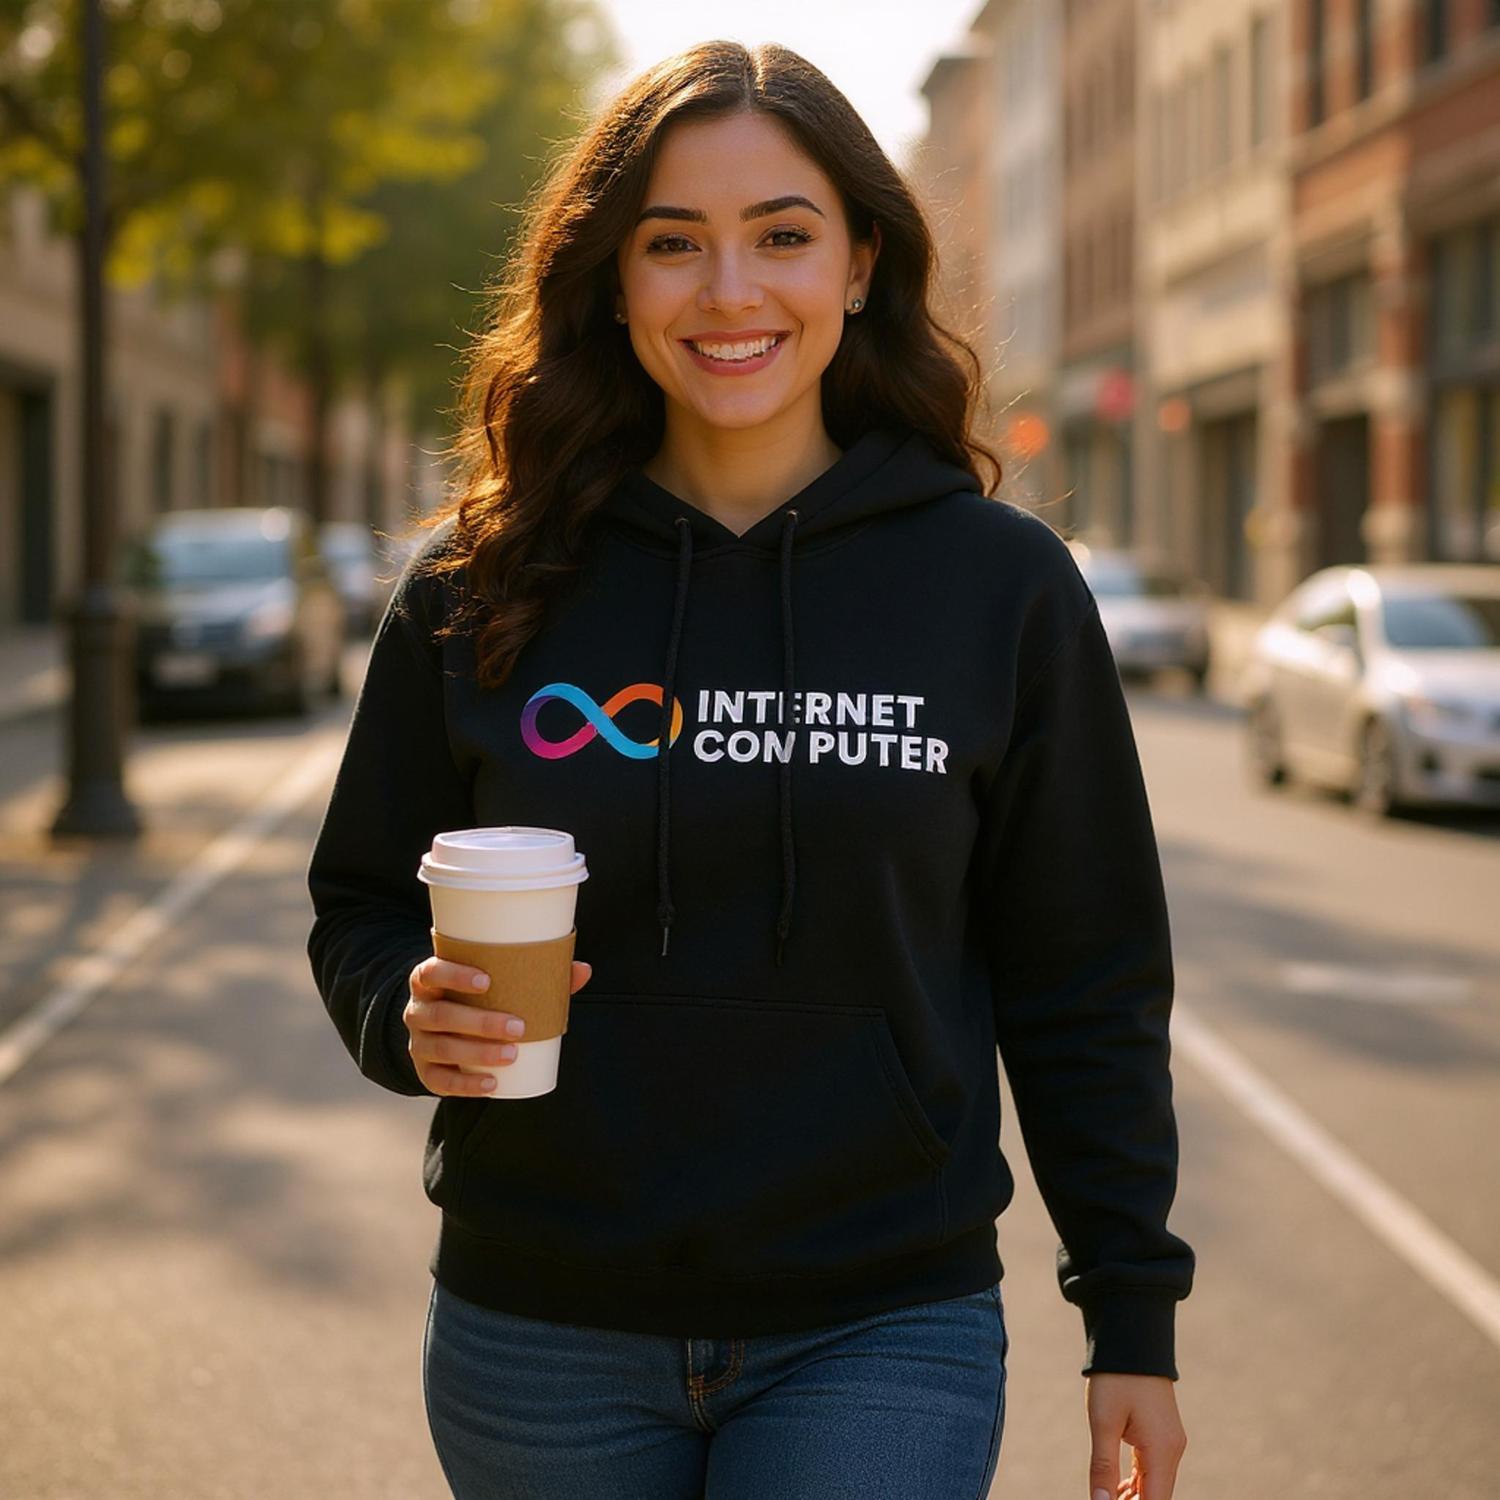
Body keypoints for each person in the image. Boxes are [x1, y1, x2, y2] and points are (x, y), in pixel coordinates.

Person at [305, 38, 1194, 1500]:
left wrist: (1133, 1318)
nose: (730, 294)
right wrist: (402, 1018)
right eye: (674, 246)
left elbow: (1086, 971)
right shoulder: (481, 584)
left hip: (880, 1324)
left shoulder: (1001, 586)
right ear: (612, 279)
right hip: (540, 1326)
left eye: (782, 236)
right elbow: (359, 904)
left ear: (859, 264)